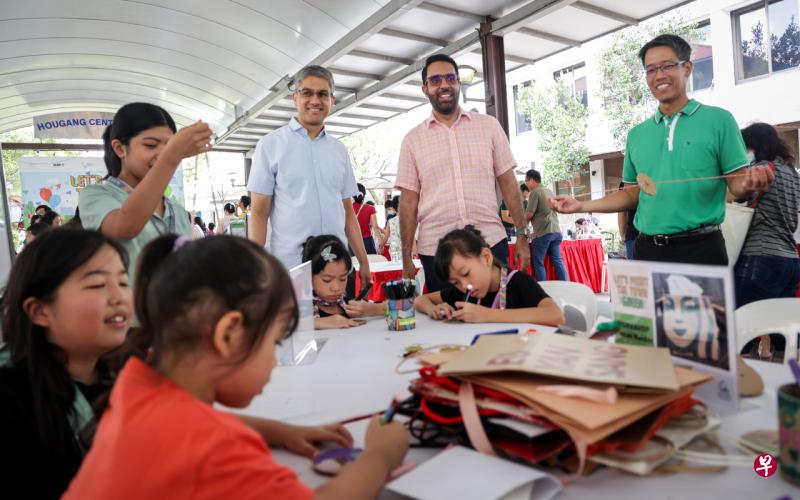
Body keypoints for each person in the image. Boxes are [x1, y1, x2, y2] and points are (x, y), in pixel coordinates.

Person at [64, 235, 408, 499]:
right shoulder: (217, 451)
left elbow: (187, 421)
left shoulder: (137, 382)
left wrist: (276, 430)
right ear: (228, 334)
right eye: (273, 343)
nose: (275, 361)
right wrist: (379, 458)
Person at [548, 34, 774, 265]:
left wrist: (749, 184)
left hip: (702, 249)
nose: (659, 76)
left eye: (667, 66)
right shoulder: (637, 135)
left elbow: (736, 184)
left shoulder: (719, 120)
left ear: (687, 68)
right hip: (647, 250)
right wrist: (582, 205)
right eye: (651, 70)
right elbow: (631, 194)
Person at [0, 228, 134, 499]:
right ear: (40, 311)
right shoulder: (10, 400)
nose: (119, 297)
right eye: (97, 285)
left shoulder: (126, 378)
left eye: (122, 282)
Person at [396, 54, 530, 292]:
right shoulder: (411, 141)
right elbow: (408, 202)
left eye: (450, 78)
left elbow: (509, 184)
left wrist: (521, 235)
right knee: (446, 322)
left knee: (500, 317)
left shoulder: (489, 126)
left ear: (458, 83)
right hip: (436, 252)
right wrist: (406, 255)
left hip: (490, 244)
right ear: (425, 88)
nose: (444, 85)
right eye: (435, 80)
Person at [246, 65, 372, 287]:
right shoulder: (270, 145)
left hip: (338, 270)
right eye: (307, 93)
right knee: (298, 323)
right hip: (292, 269)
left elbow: (347, 212)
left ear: (332, 100)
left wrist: (363, 262)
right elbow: (259, 213)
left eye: (323, 94)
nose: (315, 100)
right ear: (295, 97)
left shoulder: (339, 150)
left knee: (343, 322)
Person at [79, 102, 211, 288]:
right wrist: (171, 155)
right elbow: (125, 227)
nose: (161, 154)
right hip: (127, 315)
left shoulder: (177, 211)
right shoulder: (96, 195)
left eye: (169, 146)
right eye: (151, 145)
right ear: (119, 149)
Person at [414, 226, 564, 325]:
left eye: (466, 273)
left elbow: (556, 315)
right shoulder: (466, 292)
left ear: (486, 257)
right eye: (455, 282)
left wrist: (487, 315)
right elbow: (421, 299)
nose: (464, 285)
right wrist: (431, 309)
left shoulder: (518, 281)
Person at [734, 123, 800, 306]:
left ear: (755, 145)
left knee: (742, 325)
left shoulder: (760, 171)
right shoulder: (791, 172)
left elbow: (737, 197)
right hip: (790, 260)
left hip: (760, 256)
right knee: (782, 327)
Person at [302, 235, 386, 330]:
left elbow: (402, 305)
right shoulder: (303, 310)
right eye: (327, 280)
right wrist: (320, 322)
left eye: (342, 279)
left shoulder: (348, 305)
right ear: (308, 276)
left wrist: (372, 309)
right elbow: (284, 323)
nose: (336, 287)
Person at [525, 169, 568, 281]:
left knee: (538, 262)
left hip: (543, 233)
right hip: (556, 231)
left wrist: (520, 225)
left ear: (532, 180)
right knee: (557, 260)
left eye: (526, 181)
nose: (526, 184)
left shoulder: (534, 192)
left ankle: (543, 291)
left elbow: (529, 214)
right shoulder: (549, 191)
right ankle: (566, 286)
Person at [353, 183, 380, 254]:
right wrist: (381, 243)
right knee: (371, 263)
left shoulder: (347, 208)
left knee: (354, 262)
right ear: (364, 194)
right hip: (367, 242)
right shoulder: (370, 208)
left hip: (353, 241)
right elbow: (375, 227)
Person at [617, 181, 639, 258]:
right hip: (661, 236)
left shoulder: (627, 181)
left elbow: (622, 210)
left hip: (633, 236)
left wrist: (623, 235)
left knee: (636, 269)